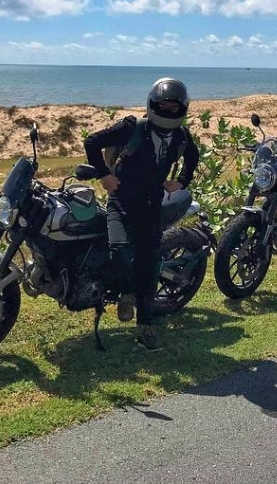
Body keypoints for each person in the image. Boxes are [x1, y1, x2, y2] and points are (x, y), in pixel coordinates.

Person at [83, 77, 200, 351]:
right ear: (152, 104)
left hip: (151, 206)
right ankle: (126, 292)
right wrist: (105, 175)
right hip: (121, 201)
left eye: (174, 107)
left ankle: (146, 325)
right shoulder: (132, 127)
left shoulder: (181, 136)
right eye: (164, 105)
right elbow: (92, 142)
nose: (168, 111)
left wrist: (182, 181)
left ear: (182, 108)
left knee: (149, 264)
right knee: (119, 249)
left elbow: (192, 157)